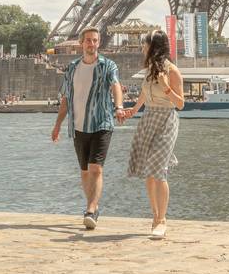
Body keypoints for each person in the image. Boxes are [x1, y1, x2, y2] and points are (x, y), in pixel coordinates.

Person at [51, 27, 125, 230]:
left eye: (95, 40)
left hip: (102, 122)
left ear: (99, 43)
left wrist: (119, 107)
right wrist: (57, 125)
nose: (91, 44)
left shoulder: (108, 65)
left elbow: (116, 85)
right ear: (81, 44)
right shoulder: (72, 68)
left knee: (96, 168)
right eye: (88, 41)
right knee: (84, 171)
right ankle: (93, 205)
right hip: (78, 126)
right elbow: (66, 98)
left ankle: (91, 209)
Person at [125, 29, 184, 239]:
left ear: (154, 47)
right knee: (149, 172)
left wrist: (167, 87)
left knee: (159, 170)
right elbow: (143, 93)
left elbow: (180, 104)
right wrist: (132, 110)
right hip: (148, 118)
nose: (143, 47)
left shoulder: (173, 71)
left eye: (145, 43)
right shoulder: (149, 70)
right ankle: (155, 215)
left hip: (166, 120)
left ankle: (162, 220)